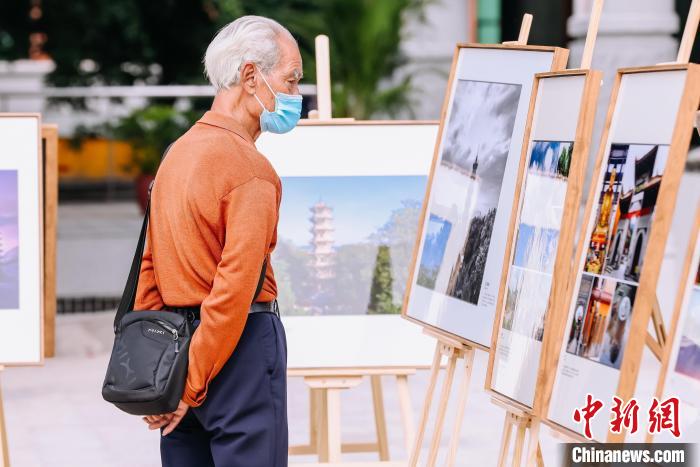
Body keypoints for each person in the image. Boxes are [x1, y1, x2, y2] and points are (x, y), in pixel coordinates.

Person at [132, 15, 303, 467]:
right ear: (252, 76)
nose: (295, 96)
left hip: (174, 347)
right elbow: (234, 288)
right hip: (239, 347)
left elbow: (149, 266)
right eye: (291, 79)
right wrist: (191, 383)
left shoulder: (177, 154)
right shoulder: (250, 170)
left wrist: (160, 378)